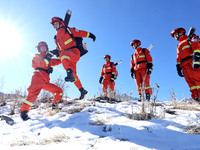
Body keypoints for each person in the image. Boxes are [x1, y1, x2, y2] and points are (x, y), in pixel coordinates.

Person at [50, 17, 96, 100]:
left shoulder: (67, 30)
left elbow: (80, 33)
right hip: (67, 57)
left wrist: (90, 35)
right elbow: (59, 50)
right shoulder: (56, 38)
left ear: (61, 23)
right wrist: (56, 53)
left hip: (74, 52)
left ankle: (69, 72)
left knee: (63, 56)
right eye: (53, 24)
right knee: (74, 75)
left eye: (56, 23)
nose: (55, 26)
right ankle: (82, 90)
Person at [20, 41, 63, 121]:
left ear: (47, 48)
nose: (43, 48)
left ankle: (54, 105)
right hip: (37, 79)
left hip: (45, 81)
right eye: (41, 47)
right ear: (39, 49)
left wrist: (59, 53)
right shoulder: (37, 56)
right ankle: (24, 112)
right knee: (32, 97)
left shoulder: (49, 58)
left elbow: (59, 61)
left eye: (45, 47)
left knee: (59, 91)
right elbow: (42, 64)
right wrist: (50, 55)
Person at [171, 28, 200, 102]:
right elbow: (178, 57)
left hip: (192, 62)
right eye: (174, 36)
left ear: (181, 33)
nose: (175, 37)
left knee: (198, 80)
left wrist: (196, 60)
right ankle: (197, 98)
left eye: (176, 34)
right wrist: (178, 67)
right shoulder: (178, 46)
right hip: (184, 67)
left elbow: (196, 47)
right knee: (190, 84)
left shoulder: (190, 38)